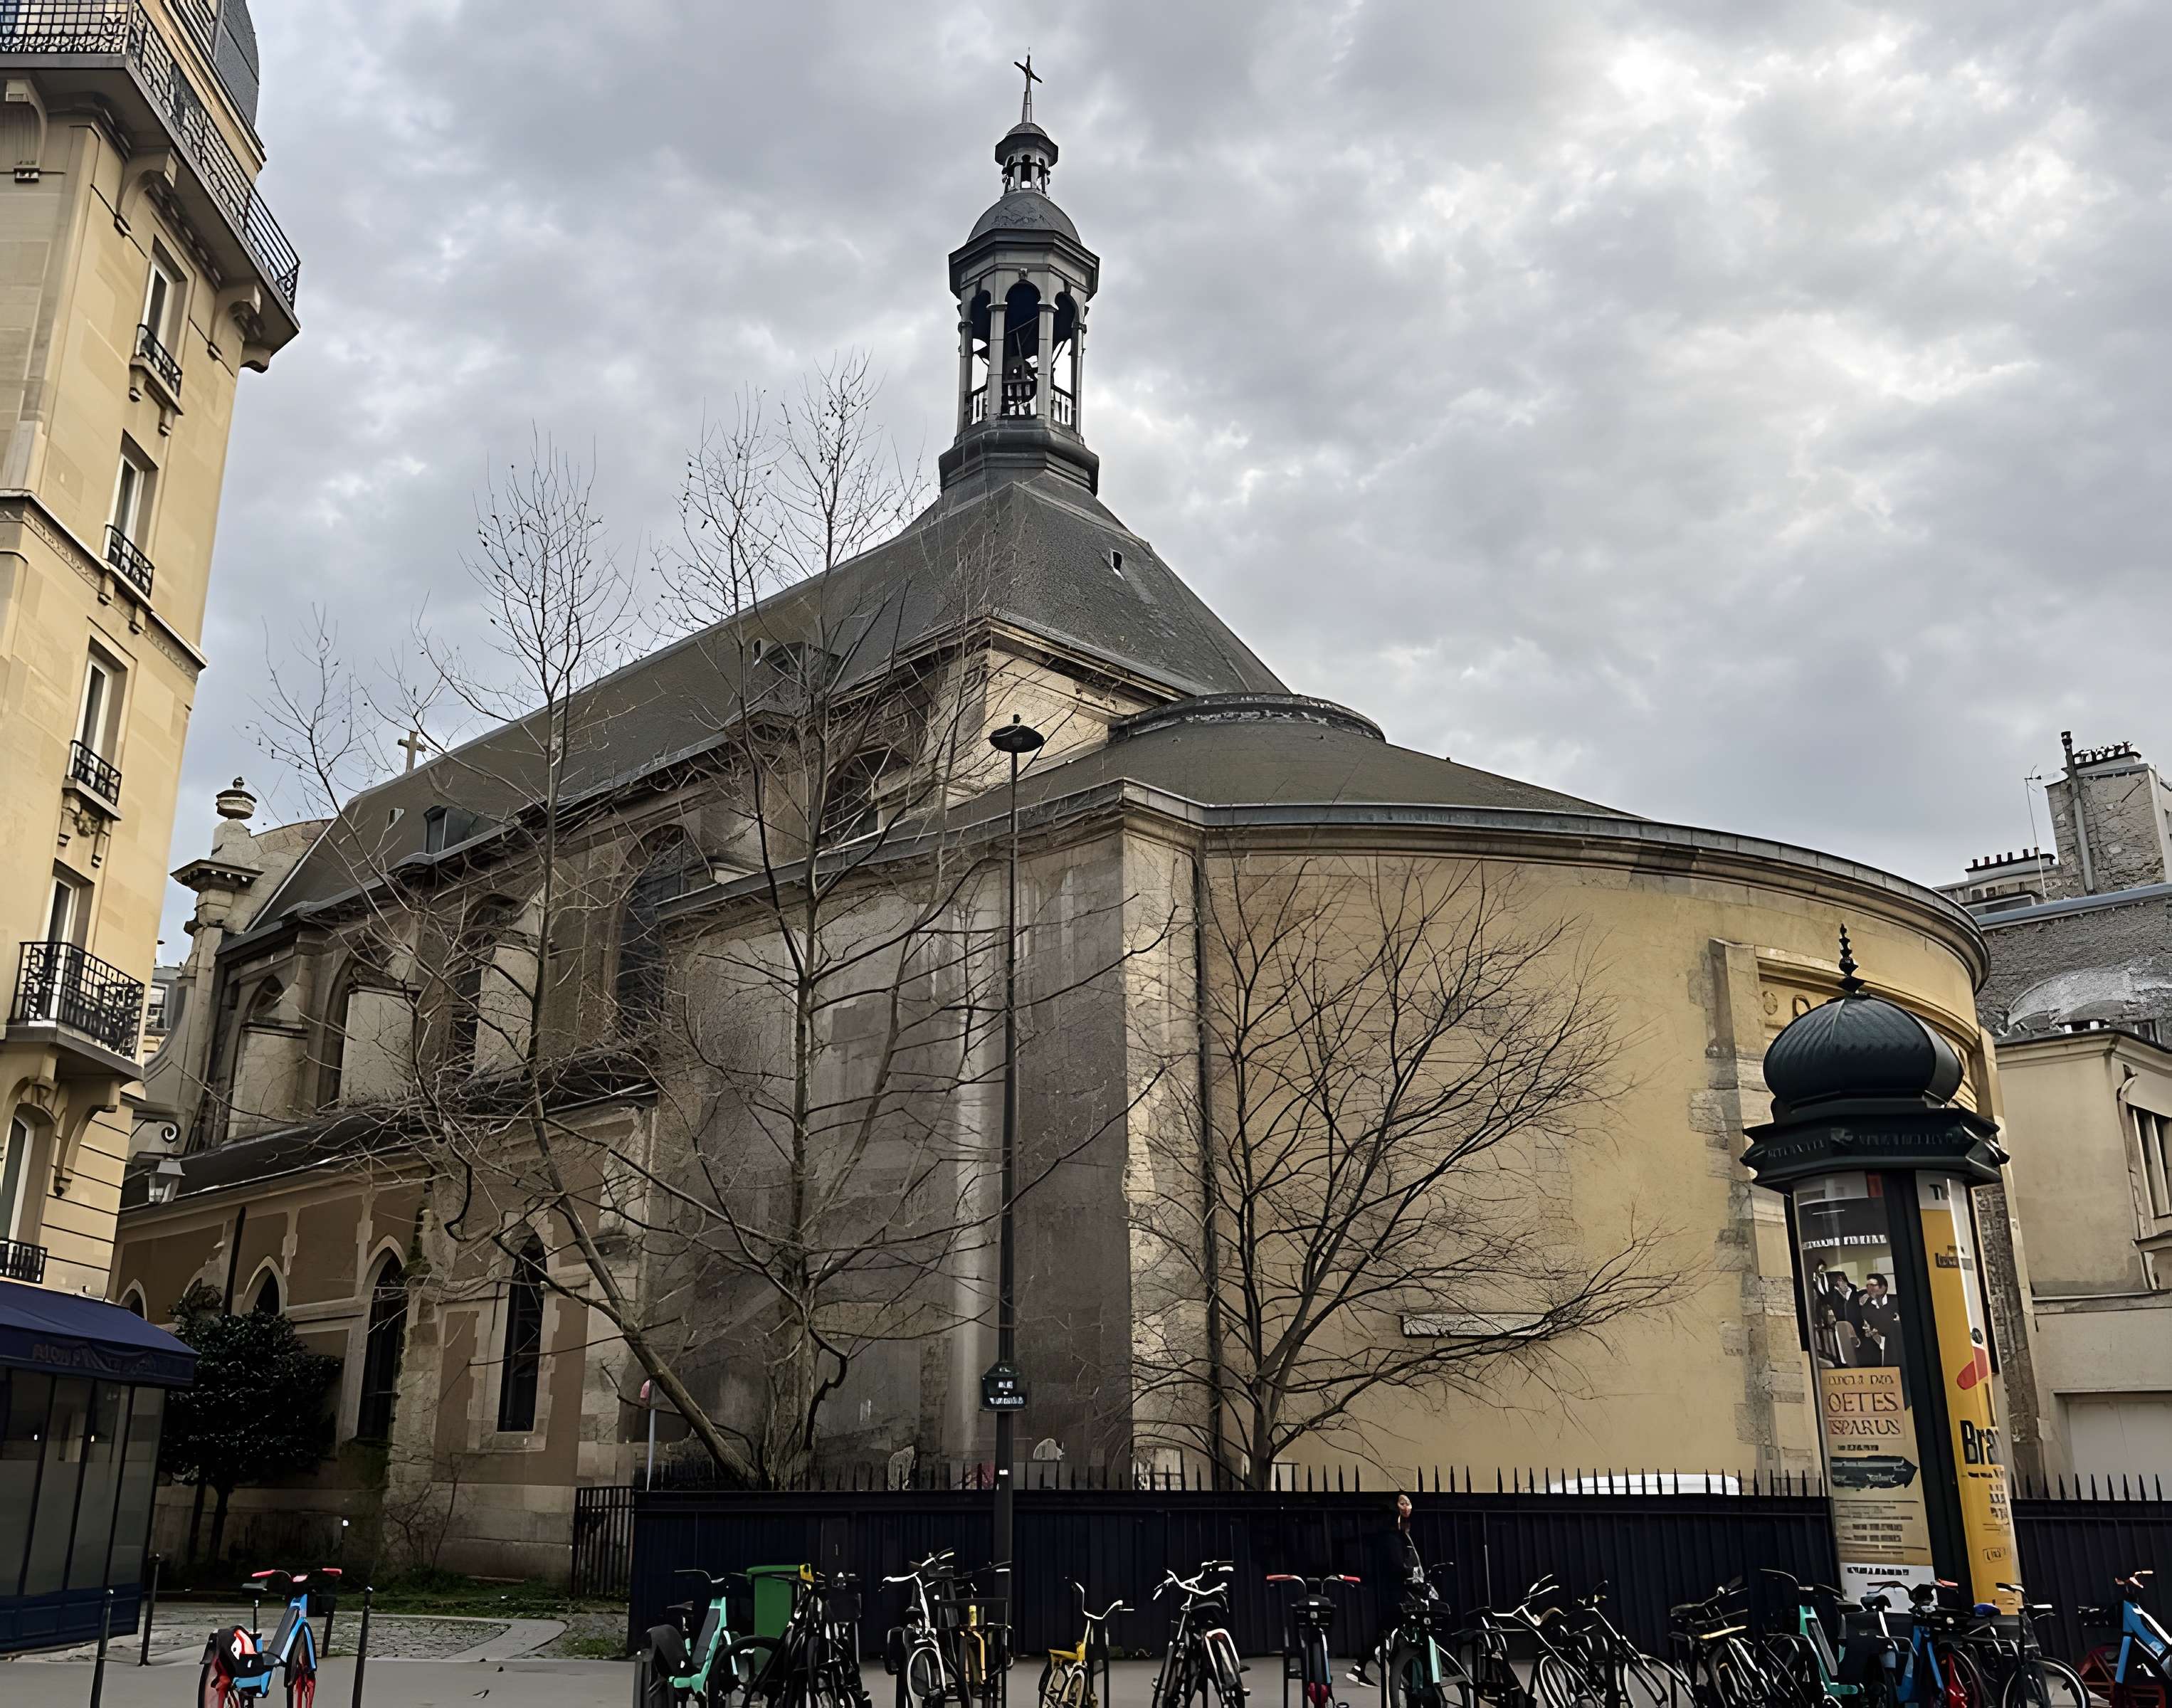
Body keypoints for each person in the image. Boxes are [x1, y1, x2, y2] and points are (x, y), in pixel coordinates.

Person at [1351, 1492, 1424, 1687]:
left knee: (1387, 1628)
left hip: (1392, 1589)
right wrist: (1410, 1573)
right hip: (1394, 1590)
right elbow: (1397, 1564)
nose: (1407, 1507)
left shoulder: (1396, 1535)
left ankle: (1362, 1666)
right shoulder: (1392, 1537)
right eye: (1403, 1503)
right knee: (1392, 1626)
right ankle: (1373, 1664)